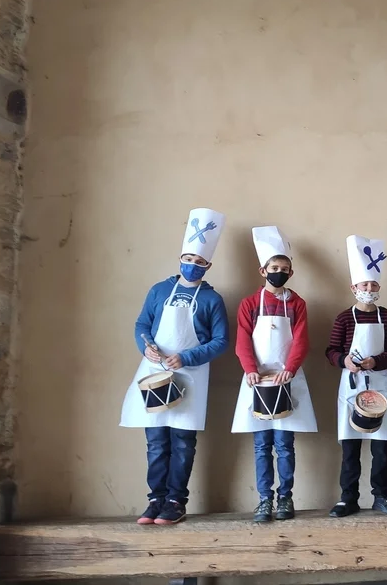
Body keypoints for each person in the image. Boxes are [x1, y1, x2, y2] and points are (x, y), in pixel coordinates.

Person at [121, 208, 230, 525]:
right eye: (188, 258)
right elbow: (142, 325)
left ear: (208, 265)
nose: (193, 264)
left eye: (199, 261)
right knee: (156, 442)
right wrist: (146, 347)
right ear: (180, 258)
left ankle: (175, 501)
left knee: (183, 442)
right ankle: (155, 499)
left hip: (190, 376)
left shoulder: (212, 300)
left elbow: (221, 341)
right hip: (154, 373)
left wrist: (187, 357)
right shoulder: (158, 290)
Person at [231, 226, 318, 522]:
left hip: (287, 379)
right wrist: (250, 369)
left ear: (291, 273)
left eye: (284, 269)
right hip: (256, 381)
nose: (278, 273)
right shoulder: (249, 304)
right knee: (261, 446)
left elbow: (301, 340)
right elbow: (243, 339)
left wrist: (289, 369)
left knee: (284, 445)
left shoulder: (297, 304)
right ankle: (264, 499)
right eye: (274, 268)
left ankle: (286, 497)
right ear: (263, 270)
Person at [327, 236, 387, 517]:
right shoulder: (344, 318)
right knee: (350, 446)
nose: (368, 289)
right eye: (363, 285)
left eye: (373, 285)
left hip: (380, 385)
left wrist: (377, 361)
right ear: (354, 288)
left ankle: (382, 496)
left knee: (381, 447)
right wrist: (344, 360)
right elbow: (331, 350)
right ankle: (348, 498)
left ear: (379, 287)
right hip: (352, 386)